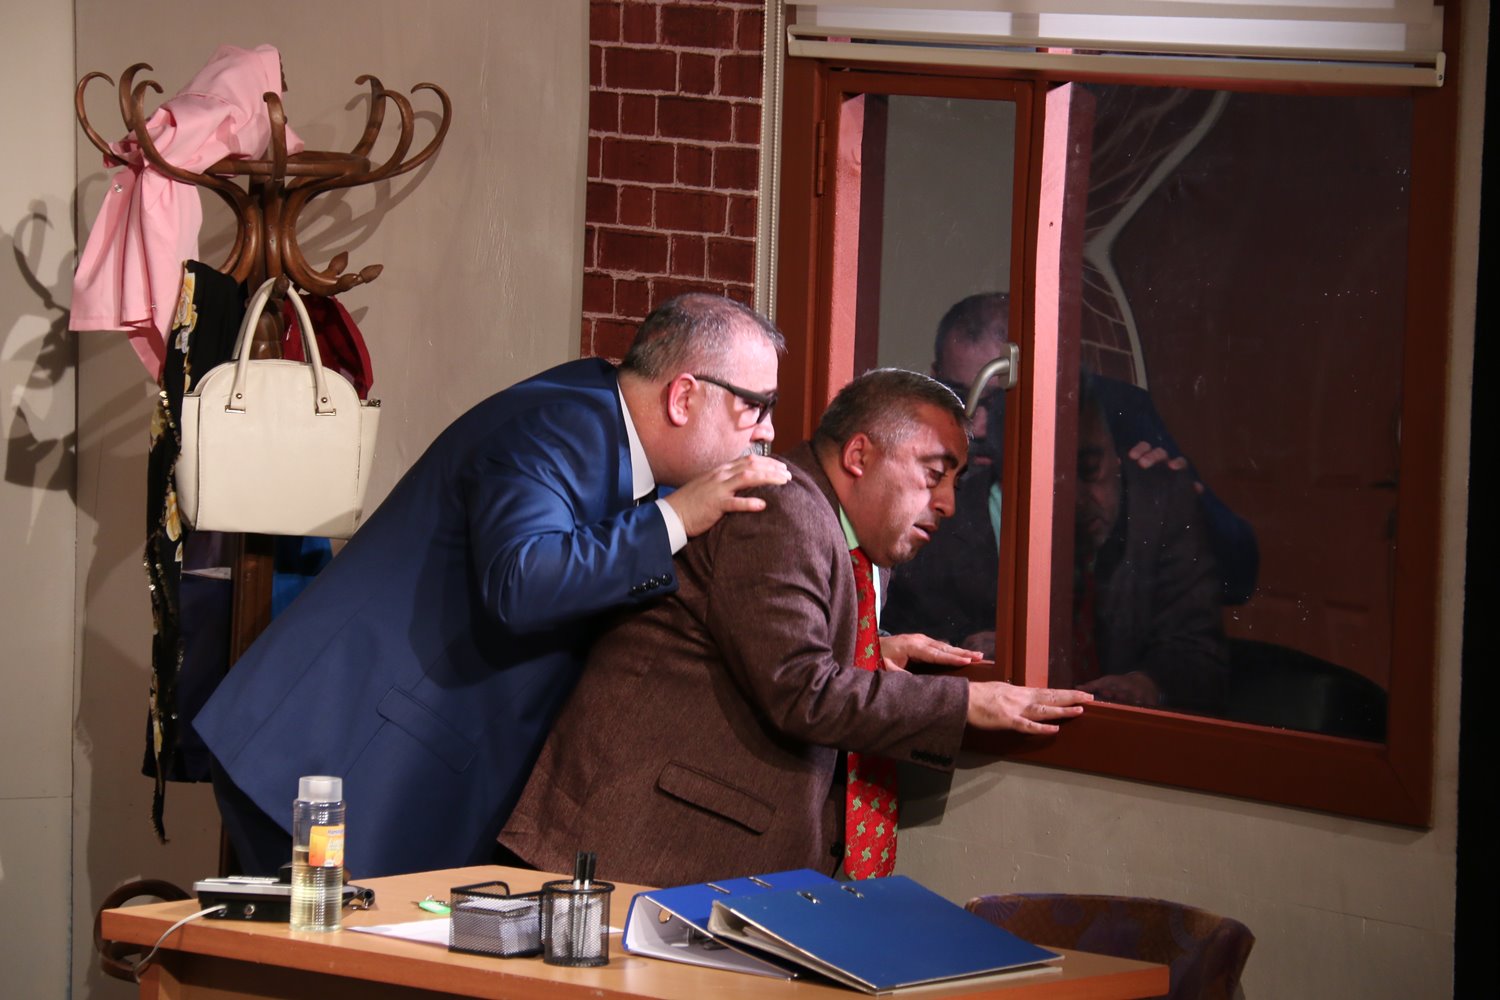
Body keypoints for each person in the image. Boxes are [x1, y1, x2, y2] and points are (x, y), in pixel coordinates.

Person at [193, 293, 794, 878]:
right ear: (684, 397)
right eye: (756, 405)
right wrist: (677, 517)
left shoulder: (617, 436)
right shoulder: (558, 426)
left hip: (393, 771)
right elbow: (521, 582)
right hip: (334, 763)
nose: (766, 430)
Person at [498, 369, 1092, 887]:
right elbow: (800, 688)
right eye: (933, 473)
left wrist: (871, 650)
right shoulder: (780, 508)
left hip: (693, 866)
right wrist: (967, 703)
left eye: (955, 483)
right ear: (859, 456)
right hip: (634, 855)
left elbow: (761, 637)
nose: (948, 503)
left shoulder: (850, 539)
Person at [885, 291, 1258, 654]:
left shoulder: (1111, 414)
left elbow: (1238, 576)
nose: (978, 428)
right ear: (934, 378)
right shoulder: (917, 443)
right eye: (958, 396)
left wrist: (1190, 511)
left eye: (999, 401)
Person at [1068, 373, 1229, 710]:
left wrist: (1148, 683)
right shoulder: (976, 508)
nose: (1078, 500)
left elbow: (1197, 646)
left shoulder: (1163, 501)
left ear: (1120, 458)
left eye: (1090, 469)